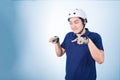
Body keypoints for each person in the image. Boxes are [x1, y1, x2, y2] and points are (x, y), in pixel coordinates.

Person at [49, 8, 104, 80]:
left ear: (84, 21)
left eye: (76, 22)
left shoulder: (95, 36)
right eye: (71, 23)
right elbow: (60, 53)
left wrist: (88, 41)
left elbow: (100, 60)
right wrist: (57, 43)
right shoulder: (69, 36)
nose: (73, 26)